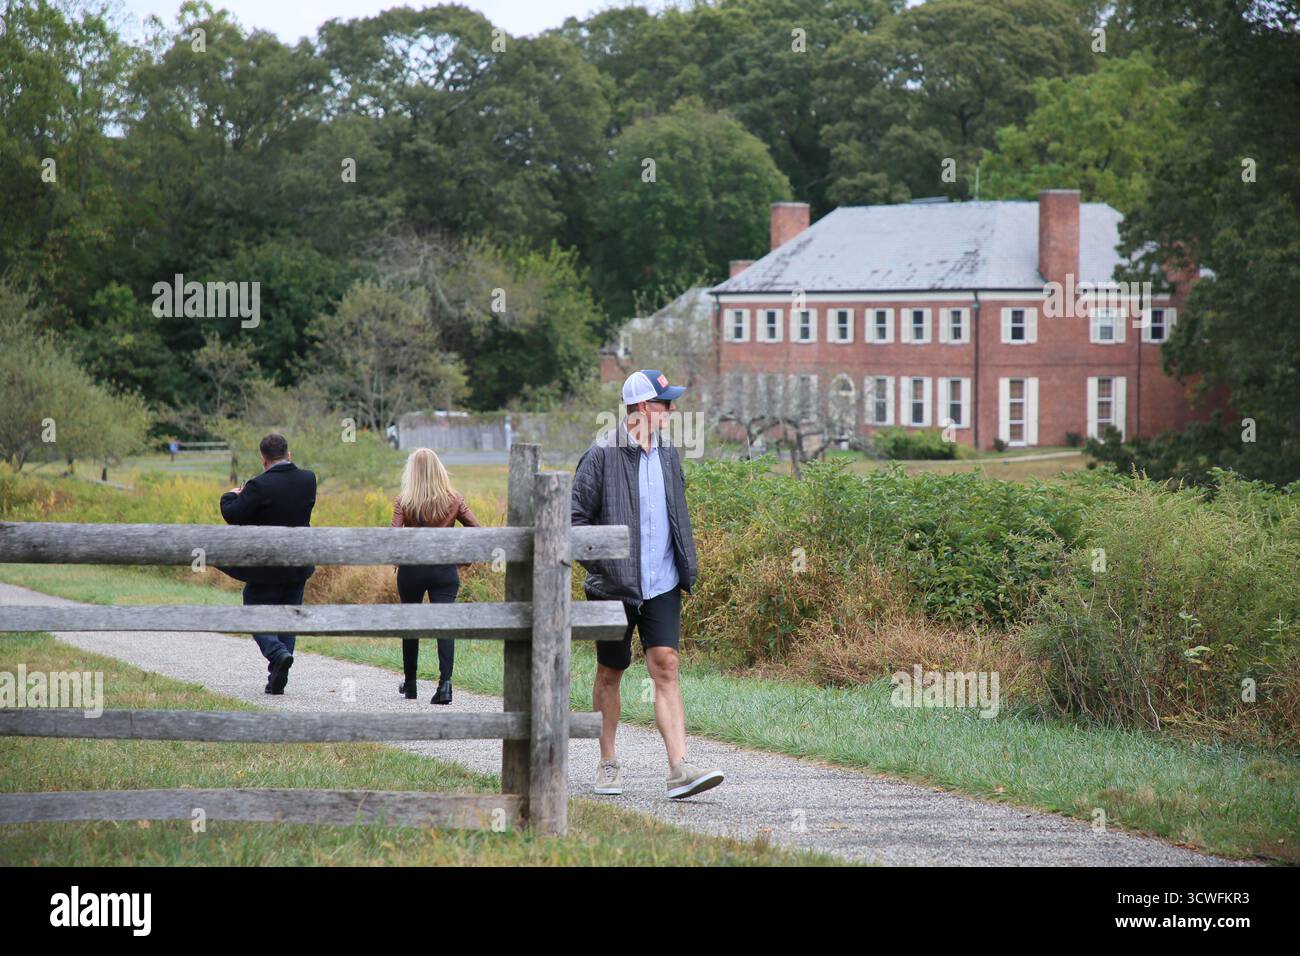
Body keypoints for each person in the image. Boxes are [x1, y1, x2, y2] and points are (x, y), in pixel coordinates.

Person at [571, 369, 724, 800]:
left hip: (662, 584)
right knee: (611, 671)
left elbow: (676, 513)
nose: (672, 410)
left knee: (667, 665)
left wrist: (684, 562)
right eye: (665, 404)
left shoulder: (670, 454)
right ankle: (607, 761)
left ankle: (679, 768)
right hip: (612, 588)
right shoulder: (600, 455)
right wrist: (609, 567)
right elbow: (573, 522)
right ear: (642, 408)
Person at [219, 434, 317, 694]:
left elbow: (233, 514)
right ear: (289, 454)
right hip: (298, 563)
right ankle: (278, 675)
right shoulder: (309, 480)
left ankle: (276, 654)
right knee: (289, 617)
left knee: (254, 611)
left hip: (265, 567)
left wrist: (231, 495)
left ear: (263, 460)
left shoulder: (259, 486)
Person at [391, 447, 480, 704]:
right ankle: (445, 686)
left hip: (412, 570)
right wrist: (463, 559)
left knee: (410, 624)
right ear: (439, 469)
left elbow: (393, 538)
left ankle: (410, 684)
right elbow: (477, 530)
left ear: (412, 472)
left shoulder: (404, 501)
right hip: (444, 570)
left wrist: (399, 559)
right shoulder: (454, 499)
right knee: (444, 625)